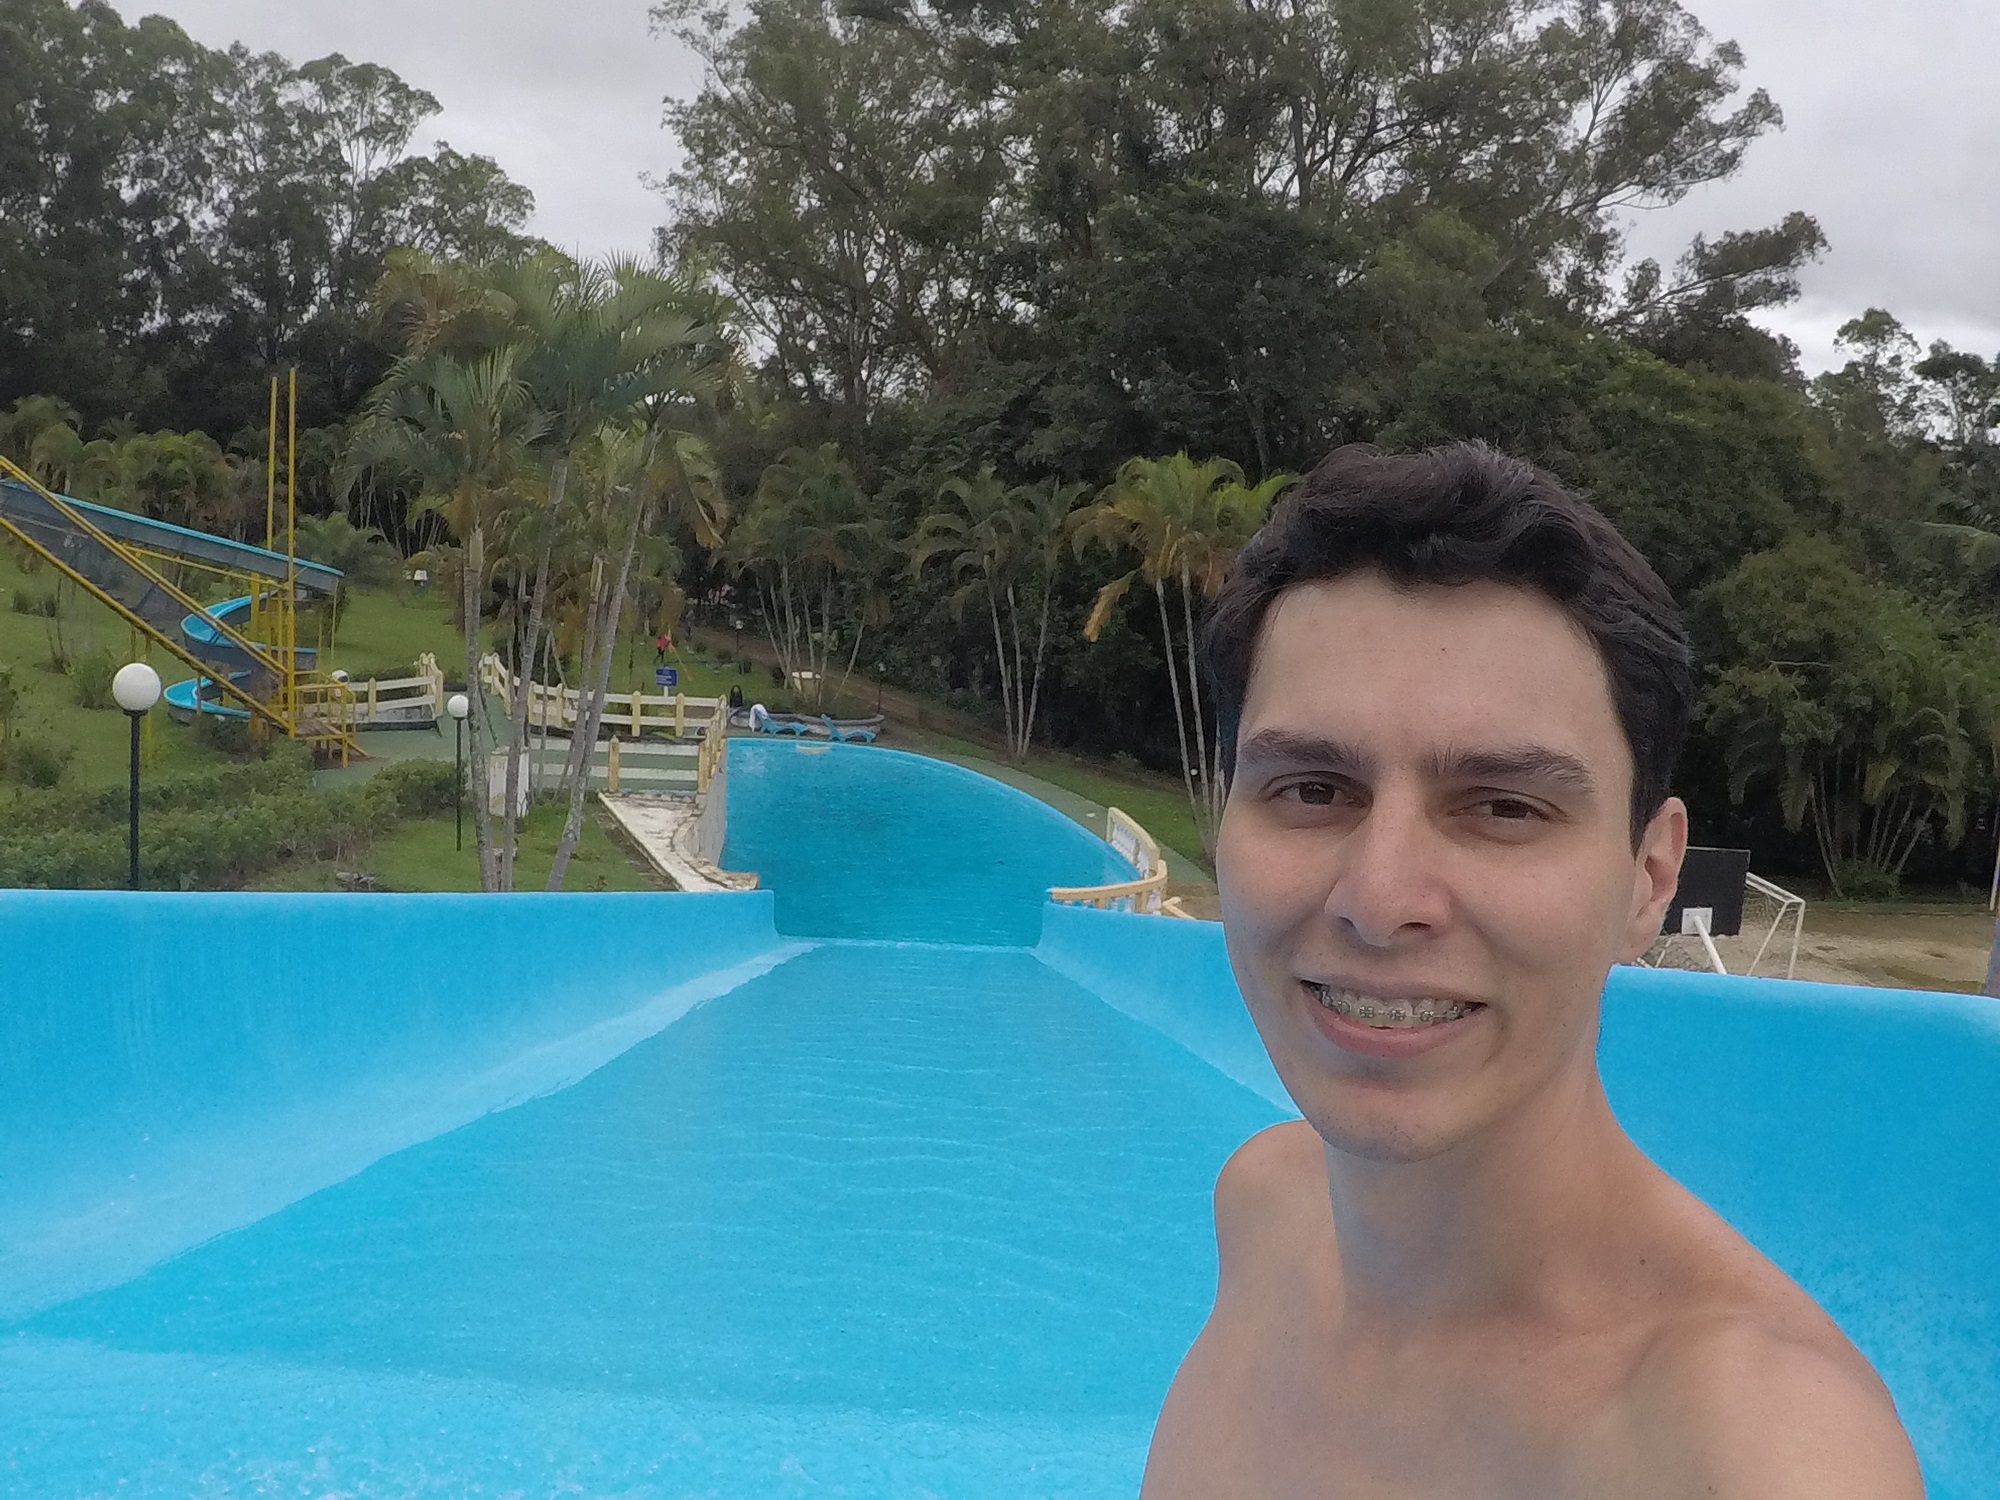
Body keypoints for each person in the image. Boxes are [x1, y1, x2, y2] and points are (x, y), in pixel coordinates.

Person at [1142, 443, 1923, 1499]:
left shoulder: (1755, 1454)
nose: (1377, 898)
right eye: (1313, 789)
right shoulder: (1264, 1206)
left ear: (1648, 878)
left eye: (1504, 806)